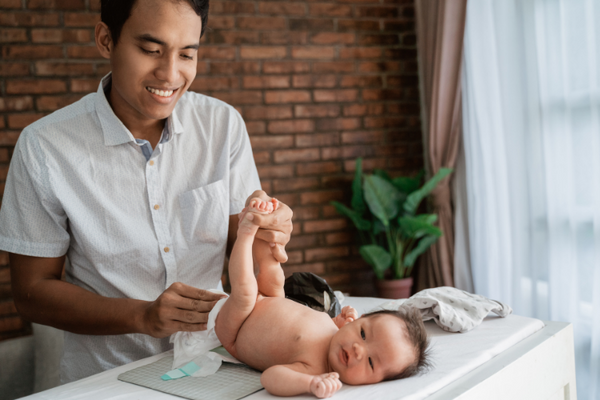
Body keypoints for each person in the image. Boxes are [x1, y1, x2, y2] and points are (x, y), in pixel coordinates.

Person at [0, 0, 292, 383]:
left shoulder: (223, 125)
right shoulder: (45, 146)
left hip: (216, 365)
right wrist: (142, 316)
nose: (170, 74)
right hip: (106, 379)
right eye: (151, 50)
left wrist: (267, 228)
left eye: (187, 54)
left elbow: (243, 236)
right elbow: (32, 292)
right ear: (106, 39)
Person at [215, 198, 430, 399]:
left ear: (376, 382)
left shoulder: (316, 367)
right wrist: (342, 318)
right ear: (359, 320)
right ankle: (264, 225)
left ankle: (246, 231)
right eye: (363, 333)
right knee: (274, 275)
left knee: (245, 293)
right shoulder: (337, 330)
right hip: (272, 299)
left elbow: (270, 378)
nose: (358, 349)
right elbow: (328, 322)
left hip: (237, 328)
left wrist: (309, 383)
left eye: (371, 362)